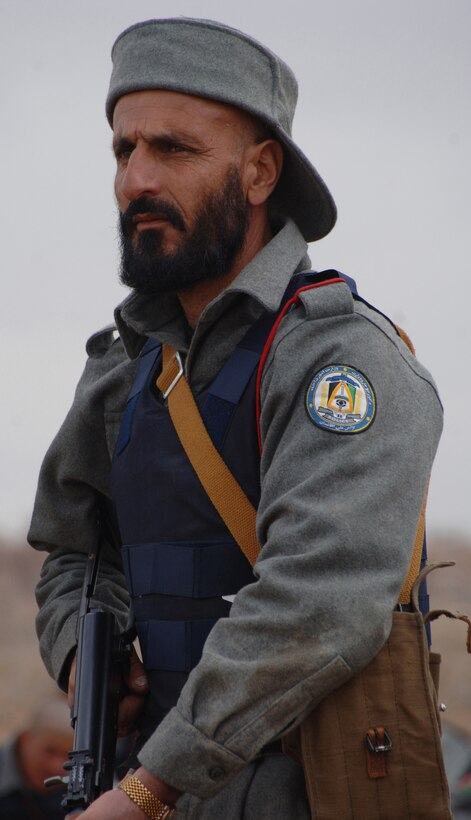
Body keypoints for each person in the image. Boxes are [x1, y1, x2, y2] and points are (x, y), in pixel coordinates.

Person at [28, 17, 444, 819]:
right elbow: (74, 554)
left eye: (174, 150)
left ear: (259, 174)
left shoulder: (337, 363)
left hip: (307, 795)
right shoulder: (125, 368)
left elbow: (316, 604)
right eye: (124, 150)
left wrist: (146, 790)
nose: (136, 179)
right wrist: (85, 659)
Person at [0, 693, 73, 819]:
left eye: (69, 757)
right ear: (25, 740)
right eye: (50, 751)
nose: (57, 766)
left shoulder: (82, 784)